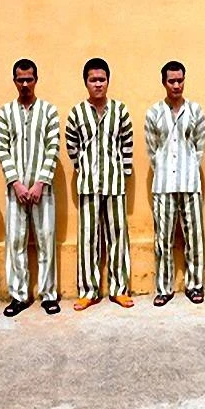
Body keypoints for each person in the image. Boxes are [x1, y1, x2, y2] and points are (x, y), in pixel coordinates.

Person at [65, 58, 134, 311]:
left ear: (108, 81)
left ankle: (119, 289)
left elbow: (127, 144)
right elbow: (71, 145)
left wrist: (122, 172)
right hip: (88, 185)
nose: (98, 84)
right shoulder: (77, 113)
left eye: (101, 79)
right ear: (86, 82)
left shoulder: (120, 111)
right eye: (93, 80)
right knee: (88, 239)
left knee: (118, 237)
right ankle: (89, 291)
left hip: (115, 183)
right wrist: (82, 167)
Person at [0, 59, 61, 316]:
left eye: (29, 79)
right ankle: (19, 296)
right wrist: (16, 183)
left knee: (46, 241)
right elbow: (2, 148)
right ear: (14, 81)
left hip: (42, 190)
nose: (25, 84)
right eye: (20, 80)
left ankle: (49, 295)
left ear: (36, 80)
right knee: (16, 243)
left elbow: (53, 147)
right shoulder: (5, 112)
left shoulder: (49, 111)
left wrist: (39, 183)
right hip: (16, 191)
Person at [144, 61, 205, 306]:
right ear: (164, 83)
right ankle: (164, 288)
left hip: (190, 183)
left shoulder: (195, 111)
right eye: (172, 81)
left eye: (180, 80)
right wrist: (162, 168)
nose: (176, 85)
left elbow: (199, 146)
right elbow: (152, 149)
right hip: (163, 185)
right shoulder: (154, 112)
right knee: (163, 239)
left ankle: (195, 285)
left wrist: (189, 168)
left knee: (195, 238)